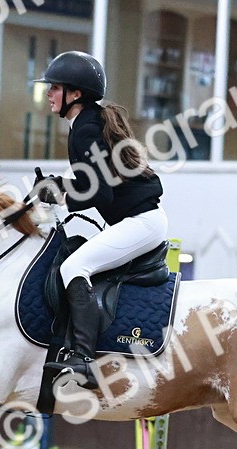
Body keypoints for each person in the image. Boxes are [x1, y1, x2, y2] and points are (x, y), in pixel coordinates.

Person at [30, 51, 166, 389]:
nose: (48, 93)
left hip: (142, 222)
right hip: (136, 220)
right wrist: (58, 185)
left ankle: (84, 359)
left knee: (72, 268)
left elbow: (100, 194)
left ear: (75, 94)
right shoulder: (86, 123)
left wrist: (59, 191)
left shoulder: (84, 130)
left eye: (55, 88)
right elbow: (95, 186)